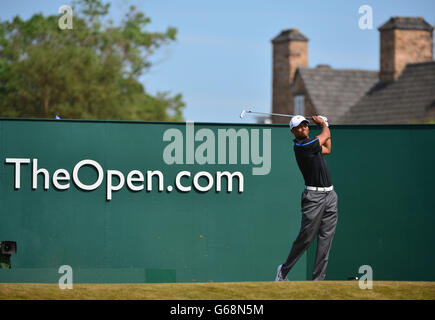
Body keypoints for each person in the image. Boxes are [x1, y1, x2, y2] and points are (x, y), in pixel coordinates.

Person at [275, 115, 338, 281]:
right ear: (293, 131)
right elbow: (324, 136)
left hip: (330, 195)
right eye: (299, 127)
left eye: (305, 125)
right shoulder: (302, 145)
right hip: (314, 197)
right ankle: (283, 271)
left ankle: (318, 282)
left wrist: (326, 125)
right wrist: (324, 124)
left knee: (326, 240)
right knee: (306, 237)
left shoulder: (312, 144)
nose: (303, 128)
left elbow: (328, 148)